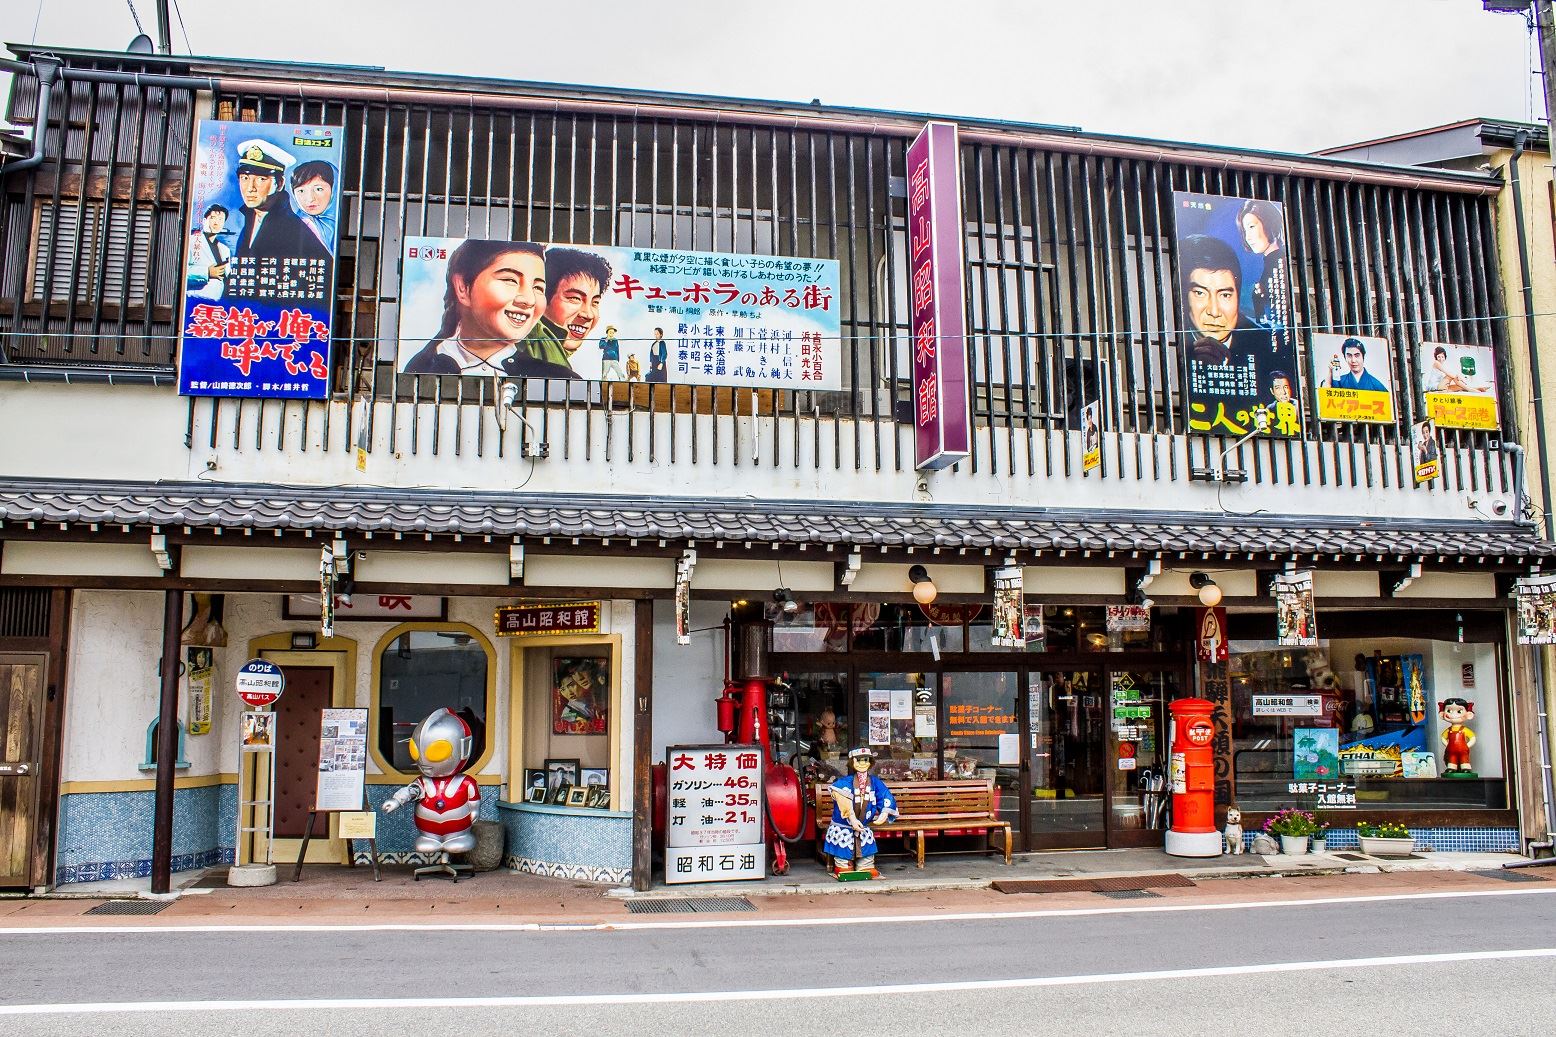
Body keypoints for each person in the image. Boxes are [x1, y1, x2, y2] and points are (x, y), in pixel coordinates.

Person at [401, 240, 550, 375]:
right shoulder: (419, 370)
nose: (529, 300)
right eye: (510, 280)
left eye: (538, 288)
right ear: (463, 288)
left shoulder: (553, 376)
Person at [228, 138, 331, 287]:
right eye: (244, 178)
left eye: (261, 179)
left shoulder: (294, 229)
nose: (250, 187)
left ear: (280, 184)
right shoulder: (252, 218)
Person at [517, 248, 612, 378]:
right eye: (575, 298)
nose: (588, 314)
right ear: (542, 298)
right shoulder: (540, 342)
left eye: (594, 302)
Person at [1180, 234, 1269, 366]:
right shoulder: (1170, 344)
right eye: (1200, 293)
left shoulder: (1266, 346)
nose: (1214, 312)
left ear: (1237, 297)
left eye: (1225, 295)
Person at [823, 747, 897, 876]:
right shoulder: (844, 783)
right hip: (844, 827)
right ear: (852, 762)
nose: (862, 763)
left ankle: (865, 865)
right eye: (858, 760)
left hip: (863, 826)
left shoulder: (875, 782)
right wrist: (852, 818)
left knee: (866, 850)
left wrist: (884, 813)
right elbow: (842, 799)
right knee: (843, 848)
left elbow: (885, 796)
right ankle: (844, 864)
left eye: (865, 760)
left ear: (870, 762)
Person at [1238, 198, 1288, 328]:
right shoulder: (1270, 263)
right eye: (1245, 230)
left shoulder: (1280, 263)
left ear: (1269, 223)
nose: (1248, 237)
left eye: (1252, 227)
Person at [185, 204, 231, 301]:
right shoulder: (191, 242)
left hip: (219, 303)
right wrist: (208, 272)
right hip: (194, 300)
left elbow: (227, 277)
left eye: (220, 220)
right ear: (204, 220)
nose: (216, 223)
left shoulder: (225, 250)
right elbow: (181, 272)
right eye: (213, 218)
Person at [290, 160, 337, 250]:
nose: (310, 198)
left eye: (318, 189)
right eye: (301, 191)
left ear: (334, 189)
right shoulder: (292, 226)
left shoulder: (340, 223)